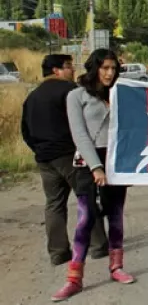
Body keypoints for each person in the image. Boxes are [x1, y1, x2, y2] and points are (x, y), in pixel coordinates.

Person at [52, 49, 135, 302]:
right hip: (88, 162)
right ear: (94, 68)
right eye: (105, 68)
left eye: (114, 69)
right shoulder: (76, 96)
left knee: (116, 215)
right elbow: (80, 134)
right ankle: (74, 279)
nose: (110, 73)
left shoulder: (121, 94)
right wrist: (96, 167)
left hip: (117, 159)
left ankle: (116, 267)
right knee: (86, 218)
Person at [20, 54, 108, 266]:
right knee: (86, 198)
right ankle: (98, 245)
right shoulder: (70, 92)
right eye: (69, 66)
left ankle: (58, 252)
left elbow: (25, 131)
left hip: (44, 159)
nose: (73, 70)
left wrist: (40, 150)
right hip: (69, 155)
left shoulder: (32, 97)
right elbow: (83, 125)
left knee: (54, 205)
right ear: (56, 70)